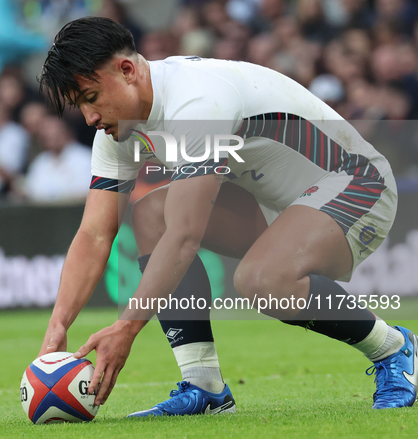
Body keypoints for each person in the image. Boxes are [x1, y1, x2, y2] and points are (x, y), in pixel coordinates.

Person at [37, 17, 417, 416]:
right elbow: (96, 234)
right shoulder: (118, 134)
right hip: (278, 202)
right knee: (151, 214)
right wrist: (57, 326)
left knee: (261, 279)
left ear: (127, 71)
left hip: (357, 183)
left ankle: (394, 349)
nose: (89, 118)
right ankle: (205, 387)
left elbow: (186, 236)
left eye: (91, 97)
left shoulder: (197, 103)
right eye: (80, 105)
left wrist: (127, 327)